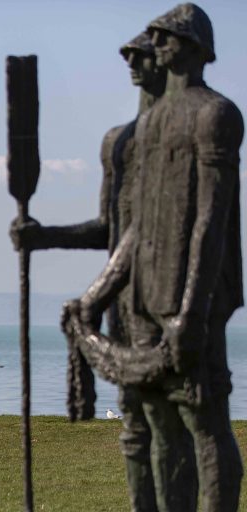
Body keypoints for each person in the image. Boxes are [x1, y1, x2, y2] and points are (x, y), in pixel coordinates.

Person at [74, 4, 243, 510]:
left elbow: (210, 222)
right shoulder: (148, 129)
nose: (156, 44)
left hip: (192, 299)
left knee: (204, 421)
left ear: (193, 47)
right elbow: (140, 228)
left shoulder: (216, 114)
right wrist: (97, 295)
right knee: (159, 427)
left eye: (166, 36)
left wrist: (192, 310)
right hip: (146, 299)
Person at [11, 31, 171, 511]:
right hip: (124, 302)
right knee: (135, 427)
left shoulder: (185, 136)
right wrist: (42, 236)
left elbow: (147, 232)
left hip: (168, 297)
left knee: (177, 427)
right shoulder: (116, 143)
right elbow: (110, 228)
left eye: (145, 55)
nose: (135, 63)